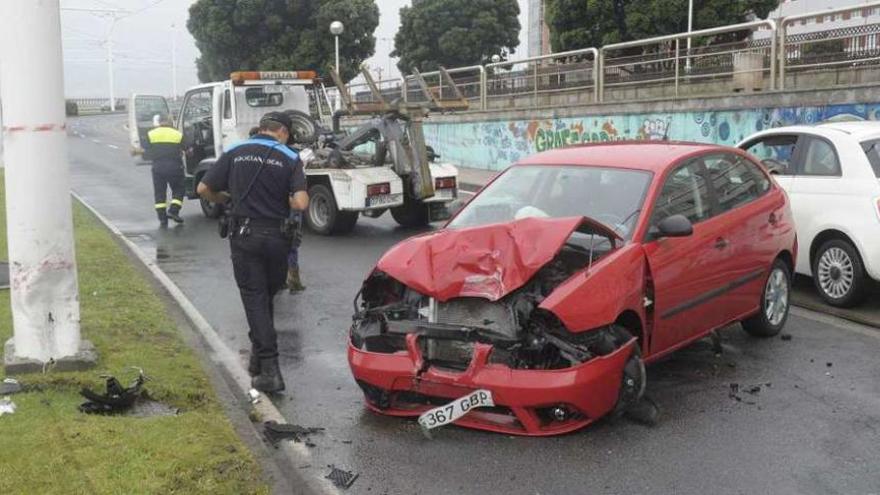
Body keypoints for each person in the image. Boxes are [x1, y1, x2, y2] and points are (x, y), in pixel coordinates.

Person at [197, 112, 309, 393]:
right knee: (266, 297)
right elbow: (300, 203)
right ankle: (259, 358)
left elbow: (203, 188)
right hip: (277, 239)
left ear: (262, 129)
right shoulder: (289, 157)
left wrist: (225, 199)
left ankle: (270, 369)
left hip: (245, 235)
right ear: (282, 131)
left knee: (255, 299)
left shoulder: (236, 150)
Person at [145, 114, 185, 227]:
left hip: (158, 168)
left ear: (159, 122)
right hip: (175, 167)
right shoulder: (177, 134)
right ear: (170, 122)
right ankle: (173, 211)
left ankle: (162, 218)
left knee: (159, 193)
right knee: (179, 189)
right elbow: (187, 149)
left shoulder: (151, 134)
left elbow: (146, 151)